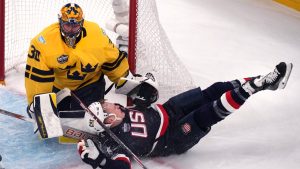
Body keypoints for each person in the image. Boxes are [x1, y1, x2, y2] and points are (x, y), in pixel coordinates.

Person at [76, 62, 293, 169]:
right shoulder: (112, 144)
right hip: (172, 138)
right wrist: (99, 161)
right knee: (209, 112)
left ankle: (265, 81)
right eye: (108, 107)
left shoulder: (106, 118)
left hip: (168, 110)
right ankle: (256, 86)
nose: (112, 104)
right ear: (108, 120)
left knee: (214, 89)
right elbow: (122, 167)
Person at [24, 3, 137, 130]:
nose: (71, 31)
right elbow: (37, 80)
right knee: (58, 119)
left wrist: (129, 85)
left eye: (75, 25)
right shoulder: (43, 43)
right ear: (60, 22)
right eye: (67, 25)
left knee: (93, 123)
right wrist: (39, 105)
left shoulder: (97, 36)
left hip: (90, 85)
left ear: (82, 23)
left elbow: (113, 62)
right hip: (59, 87)